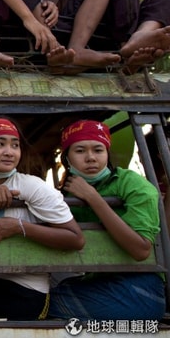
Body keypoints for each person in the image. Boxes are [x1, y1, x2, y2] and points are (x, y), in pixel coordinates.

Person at [0, 116, 84, 320]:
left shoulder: (32, 186)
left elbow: (76, 239)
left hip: (28, 290)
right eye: (0, 144)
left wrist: (18, 227)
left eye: (15, 145)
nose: (9, 152)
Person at [47, 120, 165, 320]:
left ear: (107, 153)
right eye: (80, 151)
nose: (91, 158)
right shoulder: (64, 196)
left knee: (35, 305)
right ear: (66, 158)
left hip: (141, 290)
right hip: (98, 282)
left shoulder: (133, 184)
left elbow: (141, 250)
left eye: (98, 150)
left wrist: (92, 197)